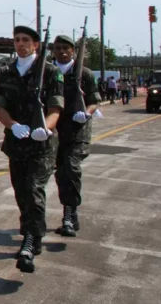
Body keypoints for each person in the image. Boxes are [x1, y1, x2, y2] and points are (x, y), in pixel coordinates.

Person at [0, 25, 64, 273]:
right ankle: (32, 231)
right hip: (16, 143)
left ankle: (31, 240)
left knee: (33, 189)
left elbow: (55, 109)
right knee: (21, 192)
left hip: (41, 145)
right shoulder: (5, 72)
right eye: (16, 40)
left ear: (36, 45)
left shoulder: (51, 72)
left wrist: (47, 128)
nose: (20, 44)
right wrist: (11, 125)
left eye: (25, 40)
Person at [52, 35, 101, 238]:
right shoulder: (49, 72)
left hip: (77, 130)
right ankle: (68, 211)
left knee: (71, 168)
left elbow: (94, 100)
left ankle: (70, 215)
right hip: (55, 131)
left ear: (73, 51)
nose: (62, 52)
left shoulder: (85, 74)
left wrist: (87, 113)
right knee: (60, 173)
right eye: (58, 48)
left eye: (66, 48)